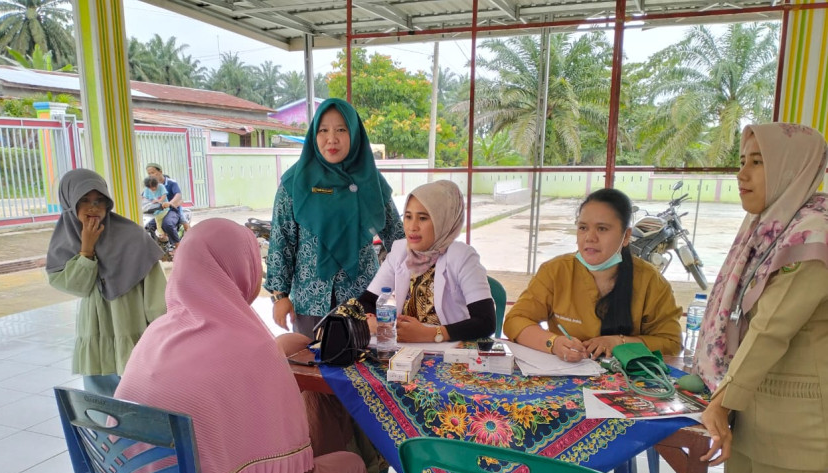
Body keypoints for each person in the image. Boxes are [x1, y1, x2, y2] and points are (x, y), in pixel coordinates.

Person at [115, 218, 383, 473]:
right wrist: (275, 356)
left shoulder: (156, 336)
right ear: (237, 272)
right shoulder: (249, 345)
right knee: (345, 469)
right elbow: (296, 463)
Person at [694, 123, 828, 473]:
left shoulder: (812, 235)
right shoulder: (770, 228)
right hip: (758, 402)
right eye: (743, 159)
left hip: (798, 416)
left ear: (792, 169)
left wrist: (722, 402)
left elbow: (771, 327)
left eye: (757, 161)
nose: (742, 172)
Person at [265, 97, 404, 338]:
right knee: (312, 366)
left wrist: (408, 285)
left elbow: (398, 239)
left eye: (341, 130)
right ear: (314, 135)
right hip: (310, 299)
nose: (332, 139)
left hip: (363, 299)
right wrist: (280, 296)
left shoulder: (371, 181)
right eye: (323, 130)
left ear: (354, 133)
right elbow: (281, 241)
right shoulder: (294, 182)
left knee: (361, 367)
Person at [503, 187, 682, 359]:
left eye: (602, 229)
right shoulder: (556, 271)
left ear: (626, 236)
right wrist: (553, 343)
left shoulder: (650, 281)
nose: (590, 237)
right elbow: (515, 321)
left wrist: (620, 342)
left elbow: (671, 343)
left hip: (627, 383)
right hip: (564, 373)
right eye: (583, 228)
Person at [45, 168, 167, 397]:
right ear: (69, 203)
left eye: (99, 200)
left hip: (132, 327)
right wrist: (86, 249)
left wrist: (161, 337)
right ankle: (106, 433)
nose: (93, 207)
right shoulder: (67, 238)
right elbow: (75, 286)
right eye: (84, 200)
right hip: (95, 331)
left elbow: (156, 295)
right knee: (101, 403)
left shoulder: (133, 236)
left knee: (139, 395)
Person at [358, 179, 496, 342]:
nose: (412, 227)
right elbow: (366, 301)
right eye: (408, 217)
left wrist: (430, 334)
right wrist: (374, 321)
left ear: (442, 220)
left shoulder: (463, 256)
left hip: (452, 351)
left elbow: (485, 322)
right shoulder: (401, 250)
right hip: (407, 351)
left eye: (423, 218)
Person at [145, 162, 187, 248]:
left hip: (171, 211)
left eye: (152, 172)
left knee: (167, 224)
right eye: (149, 174)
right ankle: (156, 248)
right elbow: (144, 196)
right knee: (147, 226)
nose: (151, 175)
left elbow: (178, 195)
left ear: (160, 171)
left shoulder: (172, 183)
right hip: (157, 211)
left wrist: (170, 203)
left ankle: (178, 247)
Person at [141, 175, 168, 239]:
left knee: (158, 220)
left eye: (154, 187)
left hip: (163, 207)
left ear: (157, 184)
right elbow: (145, 198)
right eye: (150, 187)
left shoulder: (161, 187)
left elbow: (164, 195)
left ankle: (163, 234)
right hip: (153, 209)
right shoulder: (147, 189)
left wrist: (159, 201)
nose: (152, 189)